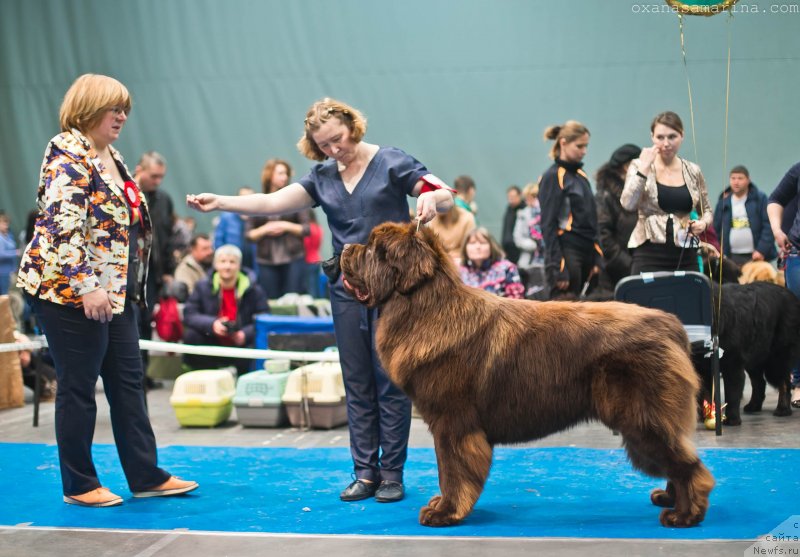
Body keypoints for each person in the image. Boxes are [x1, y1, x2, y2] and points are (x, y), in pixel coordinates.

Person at [187, 97, 454, 503]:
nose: (334, 150)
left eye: (338, 139)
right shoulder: (322, 176)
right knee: (357, 381)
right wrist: (220, 201)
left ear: (353, 126)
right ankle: (365, 473)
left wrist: (433, 198)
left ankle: (392, 475)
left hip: (394, 294)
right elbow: (270, 203)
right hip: (346, 290)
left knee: (391, 382)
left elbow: (442, 192)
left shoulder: (392, 161)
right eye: (324, 145)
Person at [16, 73, 197, 507]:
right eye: (114, 108)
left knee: (128, 383)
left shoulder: (110, 155)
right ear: (88, 108)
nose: (122, 116)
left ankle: (145, 473)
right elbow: (62, 229)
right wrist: (86, 286)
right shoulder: (66, 152)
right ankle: (79, 485)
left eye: (125, 110)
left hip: (115, 294)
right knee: (79, 387)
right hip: (68, 292)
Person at [620, 111, 713, 274]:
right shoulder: (638, 165)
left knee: (689, 297)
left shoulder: (693, 170)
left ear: (682, 135)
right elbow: (627, 204)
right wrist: (644, 168)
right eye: (660, 137)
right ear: (652, 137)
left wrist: (703, 224)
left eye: (672, 137)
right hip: (648, 253)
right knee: (645, 299)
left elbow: (707, 211)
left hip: (685, 252)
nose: (666, 143)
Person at [182, 245, 269, 376]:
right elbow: (189, 314)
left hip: (242, 345)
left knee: (258, 339)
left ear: (239, 265)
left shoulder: (255, 290)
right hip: (212, 341)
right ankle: (207, 377)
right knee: (191, 335)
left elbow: (264, 316)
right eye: (223, 261)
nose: (227, 266)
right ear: (216, 264)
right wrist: (212, 324)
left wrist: (245, 333)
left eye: (232, 262)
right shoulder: (202, 286)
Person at [538, 121, 603, 297]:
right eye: (579, 146)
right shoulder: (552, 176)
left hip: (587, 251)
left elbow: (592, 218)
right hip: (567, 253)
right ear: (563, 143)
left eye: (586, 146)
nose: (584, 151)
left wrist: (597, 255)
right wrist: (557, 266)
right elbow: (548, 225)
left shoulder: (581, 175)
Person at [134, 150, 174, 383]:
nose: (157, 181)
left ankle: (143, 373)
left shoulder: (164, 200)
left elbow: (167, 240)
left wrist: (167, 272)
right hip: (128, 273)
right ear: (139, 170)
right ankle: (132, 373)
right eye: (153, 176)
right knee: (133, 323)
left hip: (153, 275)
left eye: (161, 177)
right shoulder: (124, 194)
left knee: (147, 322)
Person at [246, 159, 310, 298]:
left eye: (286, 174)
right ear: (269, 175)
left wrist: (285, 226)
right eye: (281, 173)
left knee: (293, 299)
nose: (285, 177)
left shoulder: (296, 199)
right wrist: (266, 228)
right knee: (270, 299)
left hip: (294, 258)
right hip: (266, 260)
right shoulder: (257, 200)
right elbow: (248, 235)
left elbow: (306, 229)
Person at [766, 161, 800, 409]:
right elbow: (776, 198)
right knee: (797, 321)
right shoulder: (798, 169)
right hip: (798, 256)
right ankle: (798, 383)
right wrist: (777, 230)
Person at [595, 144, 641, 289]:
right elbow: (605, 239)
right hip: (616, 277)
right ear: (628, 166)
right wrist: (631, 266)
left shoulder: (638, 193)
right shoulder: (606, 195)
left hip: (636, 269)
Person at [713, 165, 777, 267]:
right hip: (730, 257)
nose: (736, 182)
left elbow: (769, 227)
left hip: (756, 256)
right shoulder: (723, 202)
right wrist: (718, 250)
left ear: (748, 180)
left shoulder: (760, 199)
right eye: (733, 178)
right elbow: (715, 229)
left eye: (740, 178)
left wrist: (761, 250)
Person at [458, 227, 524, 299]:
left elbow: (517, 300)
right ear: (465, 248)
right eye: (472, 243)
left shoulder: (507, 268)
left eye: (482, 243)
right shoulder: (459, 272)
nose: (477, 247)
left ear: (491, 246)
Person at [214, 186, 257, 271]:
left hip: (254, 264)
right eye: (243, 197)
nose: (246, 200)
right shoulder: (226, 217)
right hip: (231, 265)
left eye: (250, 197)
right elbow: (218, 241)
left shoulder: (258, 217)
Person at [513, 182, 544, 268]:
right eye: (527, 199)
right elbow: (517, 238)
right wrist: (534, 245)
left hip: (547, 259)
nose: (529, 201)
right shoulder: (522, 215)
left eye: (532, 198)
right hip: (528, 261)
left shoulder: (547, 212)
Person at [501, 185, 523, 264]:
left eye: (513, 196)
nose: (511, 199)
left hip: (519, 251)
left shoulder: (524, 210)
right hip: (507, 251)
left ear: (520, 195)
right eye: (509, 196)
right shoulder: (509, 209)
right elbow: (505, 229)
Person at [304, 210, 324, 298]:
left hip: (309, 260)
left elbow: (306, 244)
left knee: (310, 288)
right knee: (316, 286)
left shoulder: (309, 229)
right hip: (317, 258)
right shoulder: (318, 228)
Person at [0, 212, 17, 295]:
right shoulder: (0, 238)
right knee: (5, 296)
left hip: (11, 271)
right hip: (3, 272)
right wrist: (16, 252)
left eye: (7, 223)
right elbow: (1, 254)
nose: (6, 226)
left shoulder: (8, 236)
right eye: (4, 223)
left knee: (12, 296)